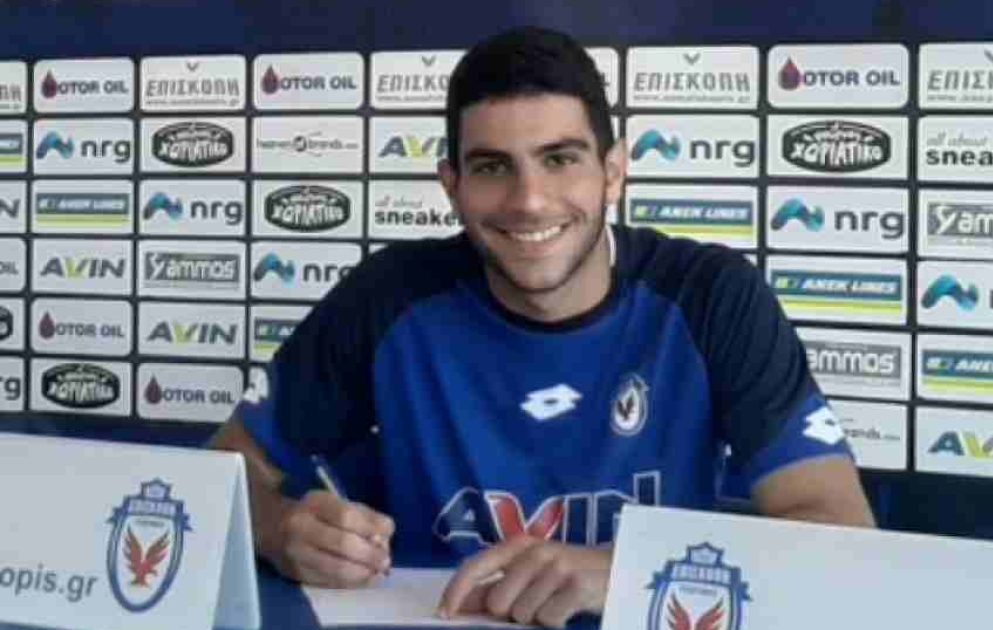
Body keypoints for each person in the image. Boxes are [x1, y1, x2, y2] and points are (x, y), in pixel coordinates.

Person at [209, 25, 876, 629]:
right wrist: (278, 529)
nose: (528, 201)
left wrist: (626, 568)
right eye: (492, 167)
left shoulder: (709, 296)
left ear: (613, 171)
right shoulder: (388, 297)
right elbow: (225, 473)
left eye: (559, 159)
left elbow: (842, 533)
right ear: (451, 185)